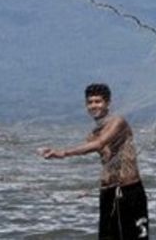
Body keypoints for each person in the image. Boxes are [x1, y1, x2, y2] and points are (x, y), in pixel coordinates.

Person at [39, 83, 149, 239]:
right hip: (107, 192)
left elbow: (99, 144)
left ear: (107, 103)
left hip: (129, 191)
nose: (93, 105)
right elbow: (92, 150)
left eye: (98, 101)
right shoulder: (93, 133)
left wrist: (63, 153)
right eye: (90, 102)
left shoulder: (118, 122)